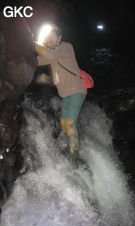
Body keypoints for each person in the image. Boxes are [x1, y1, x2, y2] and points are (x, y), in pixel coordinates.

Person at [35, 24, 87, 169]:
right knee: (65, 125)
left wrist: (32, 41)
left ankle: (74, 163)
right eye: (48, 39)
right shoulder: (51, 56)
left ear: (59, 38)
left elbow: (50, 55)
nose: (51, 41)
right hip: (66, 94)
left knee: (70, 125)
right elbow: (35, 61)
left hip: (77, 91)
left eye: (53, 38)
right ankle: (73, 151)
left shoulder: (66, 47)